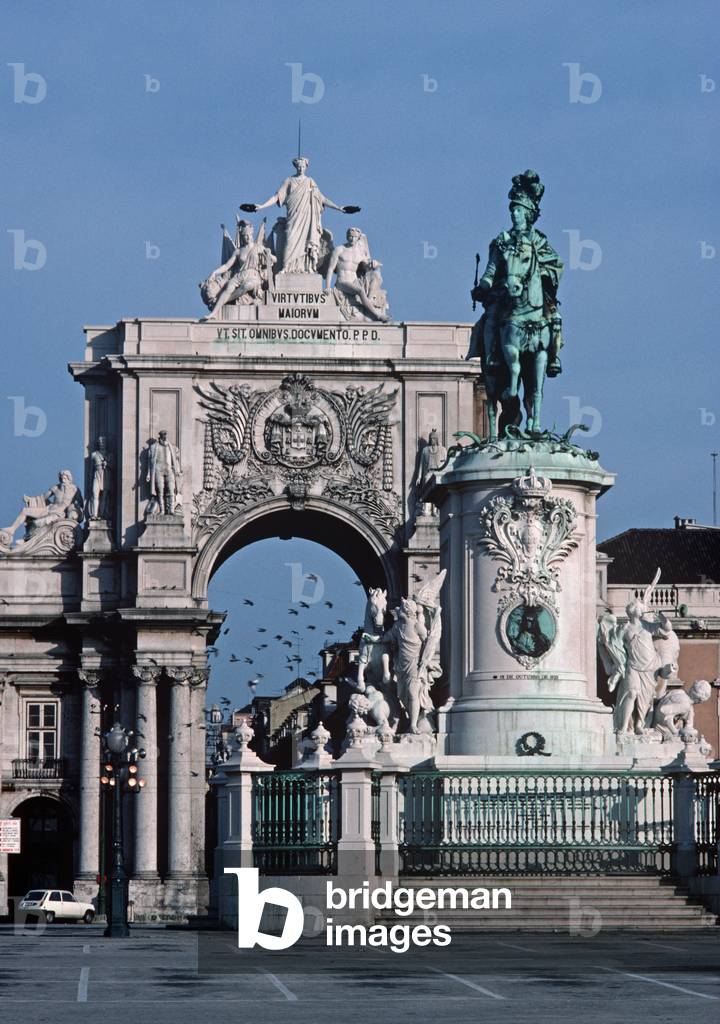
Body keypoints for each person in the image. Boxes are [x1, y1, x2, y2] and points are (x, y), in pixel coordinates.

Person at [470, 170, 564, 377]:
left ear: (529, 214)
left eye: (519, 211)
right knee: (491, 318)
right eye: (513, 211)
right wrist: (482, 288)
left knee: (555, 319)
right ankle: (492, 354)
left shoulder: (540, 242)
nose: (514, 214)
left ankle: (554, 357)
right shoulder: (501, 241)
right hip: (504, 292)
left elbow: (555, 265)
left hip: (535, 295)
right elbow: (490, 271)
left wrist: (544, 276)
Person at [240, 157, 360, 274]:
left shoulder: (310, 182)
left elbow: (322, 198)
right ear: (295, 167)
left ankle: (307, 268)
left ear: (306, 167)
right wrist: (262, 206)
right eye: (299, 166)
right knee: (290, 240)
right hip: (294, 217)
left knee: (307, 244)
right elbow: (277, 196)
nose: (301, 168)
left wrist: (338, 208)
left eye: (303, 166)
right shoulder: (289, 181)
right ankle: (286, 268)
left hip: (307, 219)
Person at [202, 221, 274, 319]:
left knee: (247, 286)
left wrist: (268, 255)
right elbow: (227, 266)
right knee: (228, 288)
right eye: (245, 235)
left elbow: (274, 259)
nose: (248, 237)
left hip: (253, 275)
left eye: (249, 235)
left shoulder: (259, 248)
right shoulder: (238, 251)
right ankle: (214, 313)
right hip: (240, 275)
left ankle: (225, 301)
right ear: (242, 236)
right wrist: (215, 272)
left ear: (252, 234)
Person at [325, 228, 389, 321]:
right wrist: (327, 287)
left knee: (376, 275)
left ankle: (369, 303)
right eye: (350, 236)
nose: (352, 239)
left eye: (355, 237)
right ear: (347, 237)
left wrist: (373, 264)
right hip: (342, 282)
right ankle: (377, 315)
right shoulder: (339, 250)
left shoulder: (360, 253)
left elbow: (366, 266)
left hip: (355, 282)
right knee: (360, 290)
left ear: (358, 238)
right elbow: (330, 269)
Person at [2, 470, 83, 542]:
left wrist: (74, 511)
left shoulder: (75, 489)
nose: (63, 481)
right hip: (48, 509)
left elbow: (80, 504)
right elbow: (43, 497)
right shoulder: (55, 488)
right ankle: (12, 529)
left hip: (59, 514)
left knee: (36, 523)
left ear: (69, 479)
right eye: (61, 479)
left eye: (65, 478)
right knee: (24, 510)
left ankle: (26, 540)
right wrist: (30, 500)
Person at [146, 431, 182, 515]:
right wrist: (148, 474)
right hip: (158, 471)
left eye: (165, 435)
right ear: (160, 436)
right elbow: (150, 462)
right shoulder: (154, 447)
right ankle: (162, 510)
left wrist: (178, 470)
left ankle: (171, 510)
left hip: (169, 471)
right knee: (160, 491)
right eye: (163, 435)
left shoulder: (172, 447)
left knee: (171, 490)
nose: (165, 437)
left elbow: (175, 461)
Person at [88, 436, 112, 519]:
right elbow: (91, 469)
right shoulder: (94, 454)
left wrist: (108, 464)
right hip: (96, 475)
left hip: (106, 476)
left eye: (103, 442)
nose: (101, 444)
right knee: (95, 494)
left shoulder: (109, 455)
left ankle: (102, 515)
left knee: (104, 496)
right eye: (100, 442)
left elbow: (115, 466)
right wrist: (90, 482)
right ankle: (94, 514)